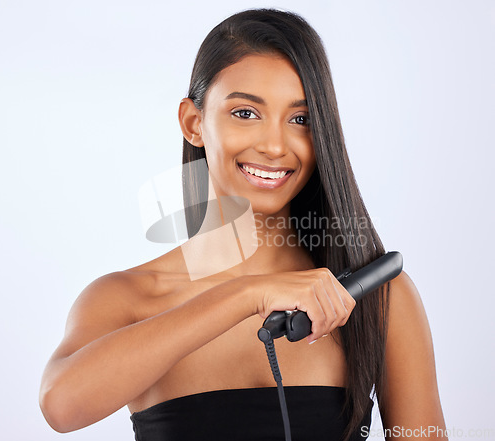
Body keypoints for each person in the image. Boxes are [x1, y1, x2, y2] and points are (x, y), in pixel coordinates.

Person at [39, 8, 448, 441]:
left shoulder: (373, 298)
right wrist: (247, 293)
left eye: (301, 119)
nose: (274, 146)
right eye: (246, 113)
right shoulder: (125, 299)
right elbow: (62, 407)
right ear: (193, 123)